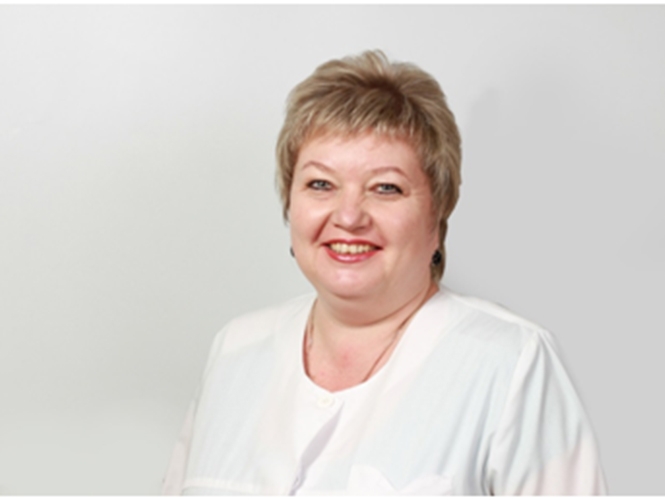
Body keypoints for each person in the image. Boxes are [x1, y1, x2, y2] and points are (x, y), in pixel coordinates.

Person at [162, 50, 606, 495]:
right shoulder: (235, 351)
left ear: (437, 214)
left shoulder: (509, 363)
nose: (349, 216)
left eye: (386, 188)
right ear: (290, 202)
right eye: (321, 184)